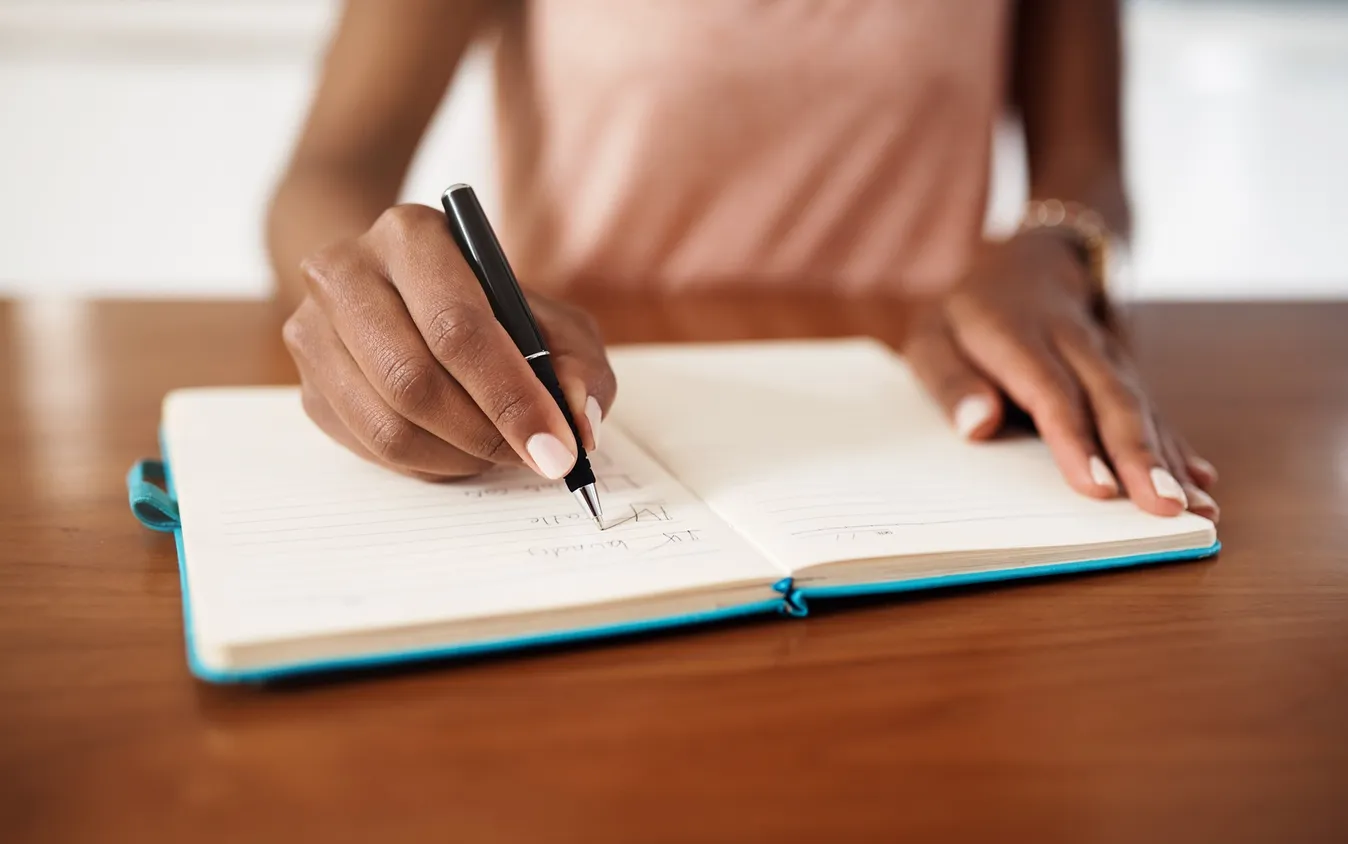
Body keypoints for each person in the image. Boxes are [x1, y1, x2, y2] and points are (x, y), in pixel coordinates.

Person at [267, 0, 1218, 522]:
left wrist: (1056, 243)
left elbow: (1089, 169)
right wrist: (370, 295)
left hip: (927, 409)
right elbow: (331, 168)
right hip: (591, 390)